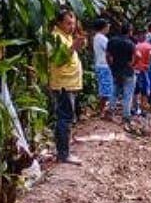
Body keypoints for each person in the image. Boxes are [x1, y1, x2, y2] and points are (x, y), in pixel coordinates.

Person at [48, 9, 85, 164]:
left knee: (66, 117)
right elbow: (57, 60)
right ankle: (63, 154)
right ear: (59, 23)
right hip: (63, 84)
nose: (72, 26)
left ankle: (64, 152)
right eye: (68, 23)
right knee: (65, 118)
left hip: (69, 83)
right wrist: (73, 48)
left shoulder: (66, 36)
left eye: (73, 23)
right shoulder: (55, 37)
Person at [106, 21, 137, 128]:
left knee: (114, 91)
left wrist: (112, 65)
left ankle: (110, 112)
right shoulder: (130, 44)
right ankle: (126, 116)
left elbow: (108, 56)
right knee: (127, 95)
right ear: (130, 31)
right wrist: (130, 65)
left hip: (115, 70)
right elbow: (133, 59)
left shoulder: (112, 41)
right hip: (127, 71)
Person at [91, 17, 113, 117]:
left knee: (104, 88)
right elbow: (109, 52)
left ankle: (101, 110)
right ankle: (101, 111)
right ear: (104, 27)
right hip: (104, 65)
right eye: (107, 25)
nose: (109, 27)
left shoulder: (96, 37)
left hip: (99, 64)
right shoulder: (102, 38)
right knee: (106, 89)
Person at [132, 29, 151, 117]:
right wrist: (148, 64)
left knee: (135, 90)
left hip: (136, 70)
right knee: (145, 90)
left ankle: (135, 109)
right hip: (144, 70)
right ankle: (143, 110)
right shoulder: (149, 46)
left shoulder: (135, 46)